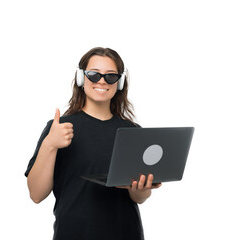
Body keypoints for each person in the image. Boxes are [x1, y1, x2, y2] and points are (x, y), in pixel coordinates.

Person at [25, 47, 161, 240]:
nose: (102, 81)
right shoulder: (59, 128)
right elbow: (36, 195)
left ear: (120, 82)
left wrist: (141, 188)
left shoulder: (133, 132)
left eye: (111, 76)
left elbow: (139, 198)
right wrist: (50, 144)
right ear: (81, 78)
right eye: (93, 75)